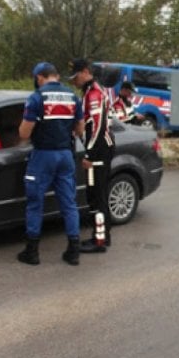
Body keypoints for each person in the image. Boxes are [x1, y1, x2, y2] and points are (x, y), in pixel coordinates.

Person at [17, 62, 84, 266]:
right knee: (69, 204)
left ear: (39, 77)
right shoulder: (72, 96)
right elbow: (80, 129)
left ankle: (32, 252)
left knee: (35, 203)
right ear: (56, 75)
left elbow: (24, 133)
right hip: (65, 155)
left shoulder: (36, 98)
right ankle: (73, 251)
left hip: (43, 156)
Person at [68, 58, 114, 254]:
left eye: (75, 76)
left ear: (85, 72)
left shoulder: (94, 93)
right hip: (100, 149)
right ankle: (103, 237)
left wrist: (89, 154)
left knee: (96, 197)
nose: (74, 81)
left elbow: (96, 127)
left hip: (99, 151)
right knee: (97, 195)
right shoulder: (89, 91)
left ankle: (99, 241)